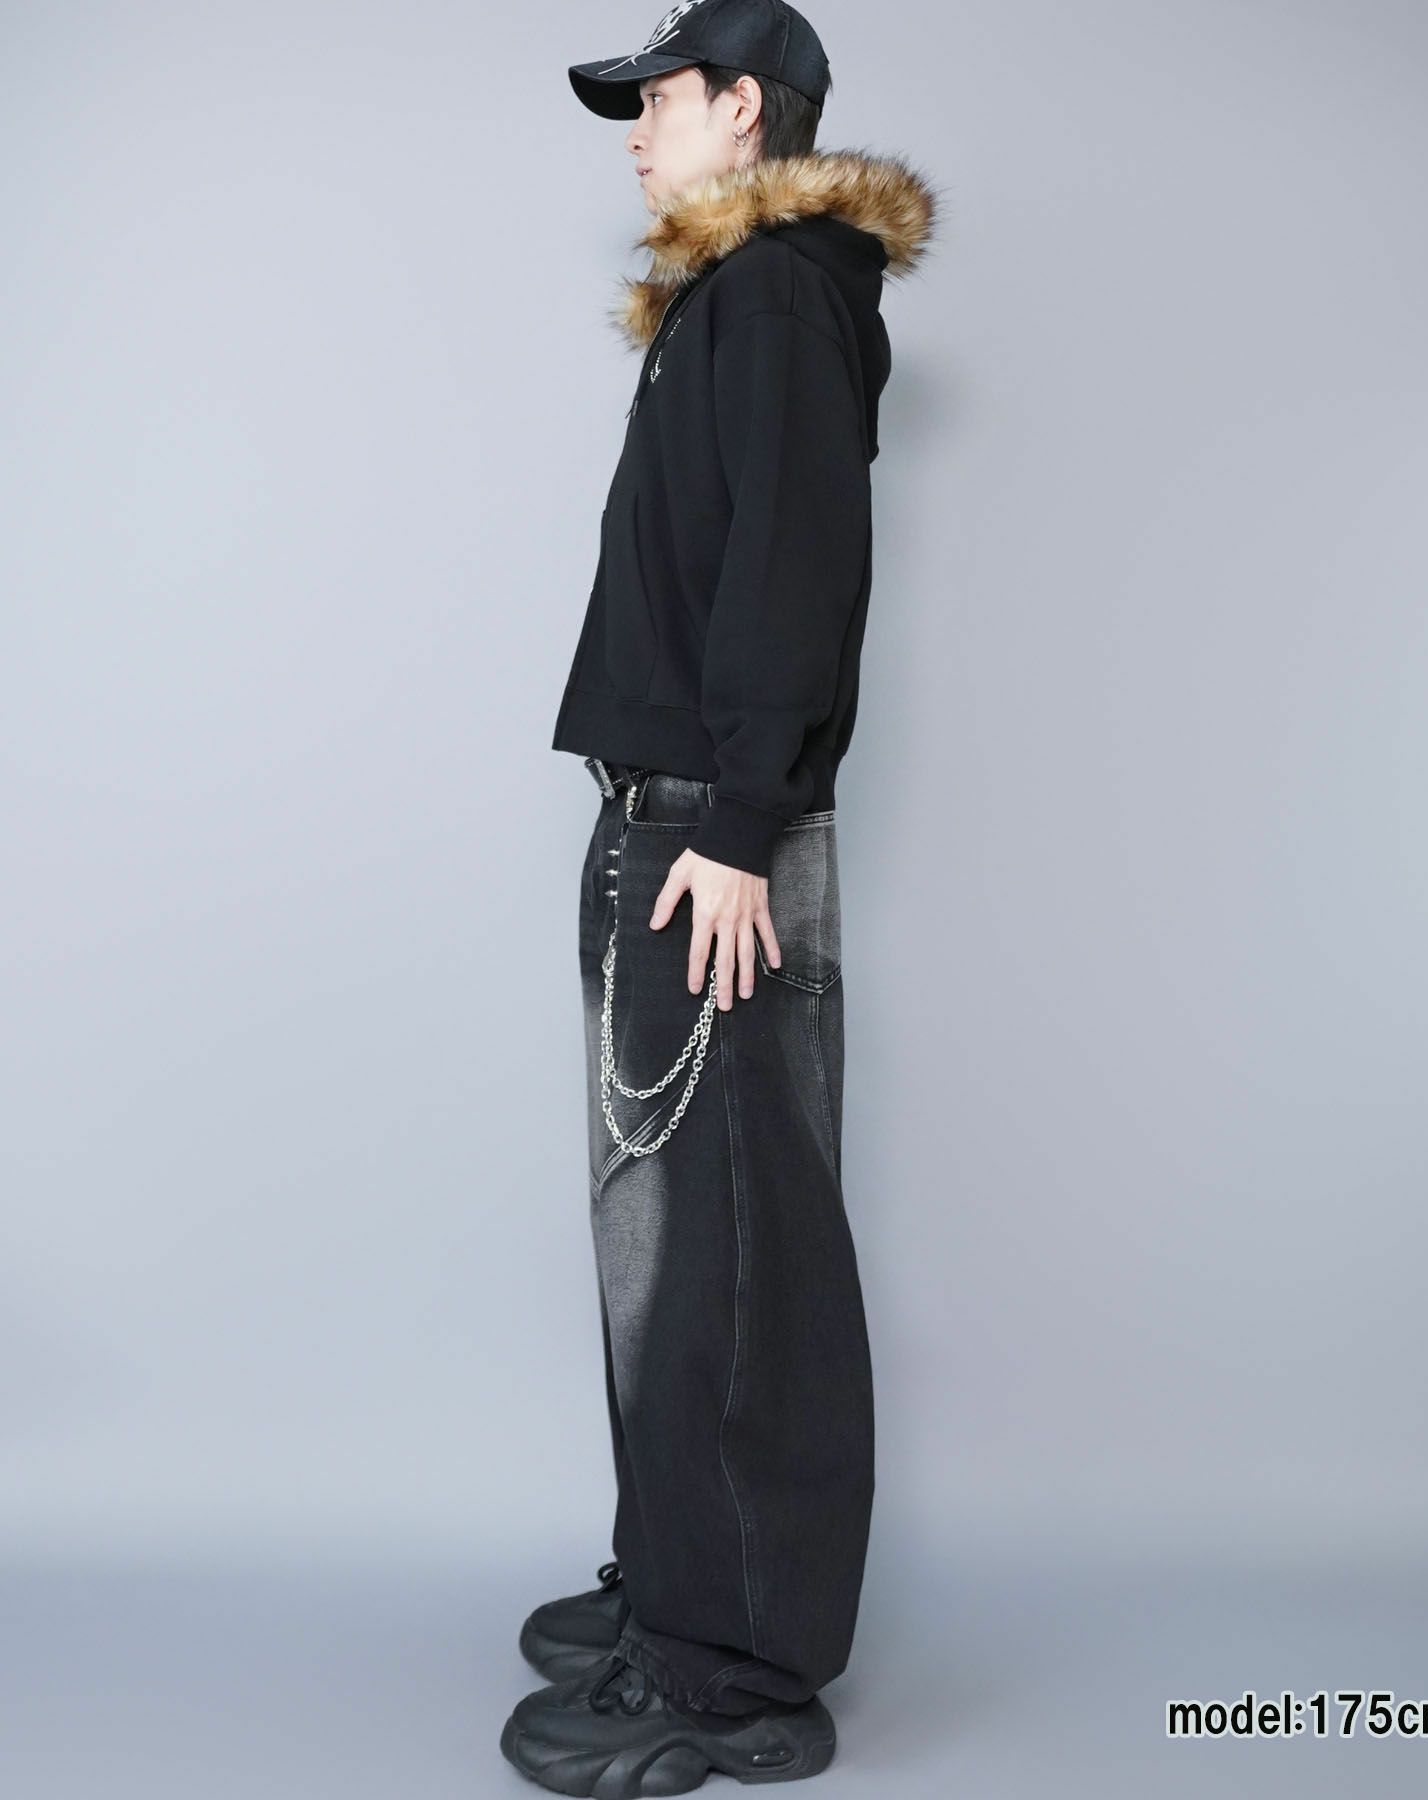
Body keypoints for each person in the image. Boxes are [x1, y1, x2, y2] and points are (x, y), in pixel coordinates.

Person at [499, 3, 937, 1792]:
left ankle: (733, 1669)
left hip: (708, 840)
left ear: (744, 107)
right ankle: (688, 1577)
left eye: (657, 99)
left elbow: (793, 566)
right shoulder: (728, 299)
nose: (634, 131)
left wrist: (744, 823)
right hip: (674, 818)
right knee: (667, 1240)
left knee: (728, 1247)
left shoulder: (771, 297)